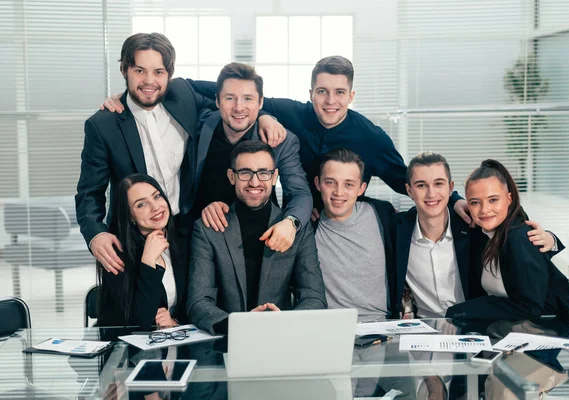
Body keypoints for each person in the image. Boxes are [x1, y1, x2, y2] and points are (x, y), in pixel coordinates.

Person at [101, 55, 472, 224]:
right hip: (234, 221)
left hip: (334, 220)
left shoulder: (369, 136)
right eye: (322, 91)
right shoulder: (288, 111)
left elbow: (406, 178)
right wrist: (127, 96)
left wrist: (453, 200)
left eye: (339, 93)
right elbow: (194, 87)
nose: (330, 101)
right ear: (310, 92)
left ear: (352, 96)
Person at [77, 33, 284, 275]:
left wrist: (265, 116)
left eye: (158, 72)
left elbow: (236, 96)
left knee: (188, 309)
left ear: (169, 74)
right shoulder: (103, 125)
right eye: (139, 71)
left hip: (186, 232)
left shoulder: (183, 95)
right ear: (124, 69)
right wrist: (96, 234)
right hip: (132, 241)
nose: (149, 81)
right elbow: (89, 193)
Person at [187, 140, 327, 335]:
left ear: (274, 176)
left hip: (282, 337)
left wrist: (286, 322)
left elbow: (315, 297)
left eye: (263, 173)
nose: (254, 182)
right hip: (226, 342)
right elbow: (198, 301)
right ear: (231, 176)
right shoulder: (207, 228)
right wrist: (240, 326)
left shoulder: (296, 228)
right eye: (245, 173)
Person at [396, 152, 558, 319]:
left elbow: (510, 221)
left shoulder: (473, 226)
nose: (431, 194)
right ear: (409, 190)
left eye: (439, 183)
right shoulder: (396, 230)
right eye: (421, 185)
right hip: (423, 330)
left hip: (473, 327)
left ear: (451, 188)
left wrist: (550, 239)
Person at [445, 159, 569, 328]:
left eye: (493, 200)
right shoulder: (483, 232)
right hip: (509, 331)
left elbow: (530, 308)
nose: (484, 209)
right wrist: (454, 199)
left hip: (551, 333)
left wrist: (461, 311)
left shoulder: (519, 238)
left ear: (508, 199)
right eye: (475, 202)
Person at [192, 62, 312, 253]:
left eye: (248, 99)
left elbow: (300, 193)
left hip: (258, 241)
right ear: (217, 101)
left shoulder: (280, 140)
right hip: (199, 238)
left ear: (261, 102)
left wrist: (291, 222)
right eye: (230, 98)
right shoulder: (200, 124)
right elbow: (172, 89)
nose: (239, 108)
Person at [313, 148, 401, 322]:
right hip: (328, 327)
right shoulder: (307, 225)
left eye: (348, 184)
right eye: (330, 182)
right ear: (318, 184)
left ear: (361, 188)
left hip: (381, 326)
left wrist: (456, 202)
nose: (339, 192)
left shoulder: (382, 214)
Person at [97, 173, 186, 330]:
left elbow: (195, 304)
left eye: (157, 196)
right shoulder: (116, 254)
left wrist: (174, 322)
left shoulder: (184, 241)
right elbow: (137, 323)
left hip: (177, 342)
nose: (155, 207)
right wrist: (148, 261)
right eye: (141, 205)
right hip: (131, 350)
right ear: (130, 216)